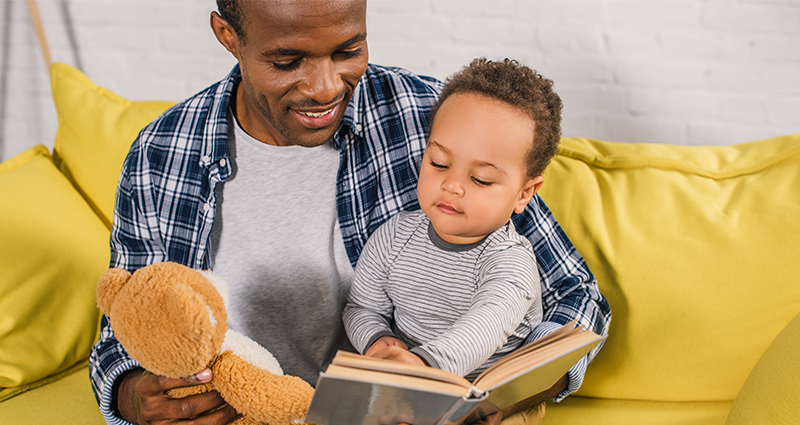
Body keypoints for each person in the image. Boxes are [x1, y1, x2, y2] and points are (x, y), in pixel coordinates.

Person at [87, 1, 611, 425]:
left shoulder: (435, 120)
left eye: (348, 50)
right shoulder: (164, 153)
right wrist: (134, 396)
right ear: (228, 36)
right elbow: (125, 328)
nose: (325, 88)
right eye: (287, 61)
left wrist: (508, 390)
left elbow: (572, 293)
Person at [344, 59, 558, 383]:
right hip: (412, 383)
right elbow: (361, 308)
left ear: (524, 194)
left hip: (488, 399)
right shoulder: (392, 238)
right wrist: (375, 339)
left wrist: (424, 366)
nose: (452, 185)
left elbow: (484, 327)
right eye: (439, 163)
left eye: (481, 179)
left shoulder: (510, 262)